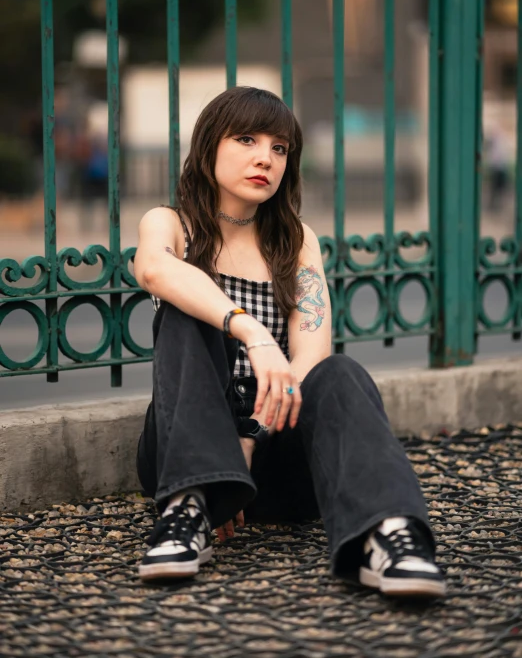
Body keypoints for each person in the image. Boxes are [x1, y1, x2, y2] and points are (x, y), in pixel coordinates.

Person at [134, 86, 445, 598]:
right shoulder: (171, 225)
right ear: (209, 144)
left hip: (273, 453)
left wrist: (250, 439)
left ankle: (389, 535)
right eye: (247, 140)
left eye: (280, 149)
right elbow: (153, 269)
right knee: (187, 318)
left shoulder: (296, 241)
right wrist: (250, 329)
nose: (266, 159)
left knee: (340, 371)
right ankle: (185, 514)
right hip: (181, 450)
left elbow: (311, 355)